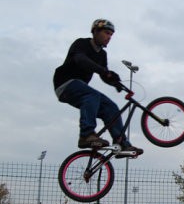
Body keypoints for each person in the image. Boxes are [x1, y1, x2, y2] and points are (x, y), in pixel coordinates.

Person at [53, 19, 143, 156]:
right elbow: (80, 60)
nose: (109, 37)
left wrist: (115, 82)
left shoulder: (102, 54)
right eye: (106, 33)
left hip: (80, 88)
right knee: (92, 95)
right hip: (65, 84)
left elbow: (103, 75)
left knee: (111, 107)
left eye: (111, 35)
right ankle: (86, 135)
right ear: (95, 31)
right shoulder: (81, 44)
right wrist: (103, 71)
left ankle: (122, 144)